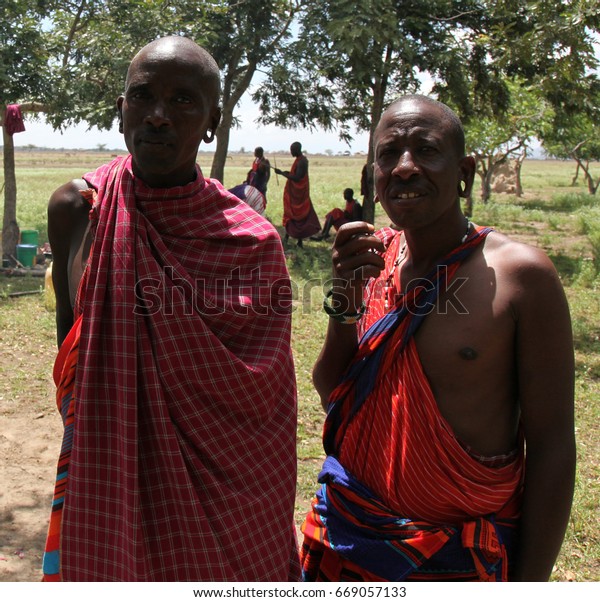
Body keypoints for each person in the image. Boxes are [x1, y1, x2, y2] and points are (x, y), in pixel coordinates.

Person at [43, 36, 299, 582]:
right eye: (142, 97)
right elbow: (74, 354)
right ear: (121, 111)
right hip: (108, 462)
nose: (158, 116)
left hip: (230, 493)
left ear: (212, 121)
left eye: (183, 100)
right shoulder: (78, 209)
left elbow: (266, 402)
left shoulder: (252, 240)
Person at [301, 95, 575, 582]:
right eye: (389, 155)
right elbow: (331, 389)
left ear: (464, 171)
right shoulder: (374, 256)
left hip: (456, 559)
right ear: (374, 176)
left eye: (426, 151)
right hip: (349, 534)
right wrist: (344, 296)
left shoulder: (521, 277)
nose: (405, 168)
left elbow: (552, 447)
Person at [274, 141, 321, 248]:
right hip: (294, 192)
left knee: (298, 215)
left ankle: (298, 240)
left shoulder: (302, 162)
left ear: (297, 149)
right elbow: (294, 174)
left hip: (299, 194)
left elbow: (298, 177)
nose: (291, 152)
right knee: (290, 214)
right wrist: (285, 173)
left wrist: (283, 174)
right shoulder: (299, 160)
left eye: (292, 150)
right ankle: (287, 237)